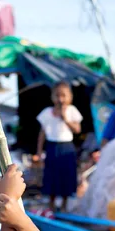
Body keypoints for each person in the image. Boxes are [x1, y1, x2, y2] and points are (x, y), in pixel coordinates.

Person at [33, 81, 82, 214]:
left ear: (69, 97)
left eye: (63, 95)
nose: (60, 99)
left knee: (66, 175)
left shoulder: (72, 111)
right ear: (53, 97)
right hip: (52, 147)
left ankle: (65, 205)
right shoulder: (47, 112)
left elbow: (77, 129)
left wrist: (65, 118)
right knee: (52, 175)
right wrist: (38, 151)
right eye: (57, 95)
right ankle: (51, 204)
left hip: (66, 147)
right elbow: (42, 133)